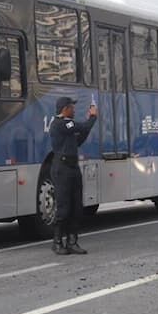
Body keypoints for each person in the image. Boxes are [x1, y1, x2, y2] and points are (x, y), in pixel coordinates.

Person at [48, 96, 97, 255]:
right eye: (72, 107)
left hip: (73, 167)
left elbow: (79, 139)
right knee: (64, 208)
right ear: (65, 108)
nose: (74, 109)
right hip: (61, 169)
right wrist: (93, 116)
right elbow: (81, 127)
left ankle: (72, 241)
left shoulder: (68, 128)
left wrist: (89, 123)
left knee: (77, 207)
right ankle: (57, 242)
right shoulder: (60, 124)